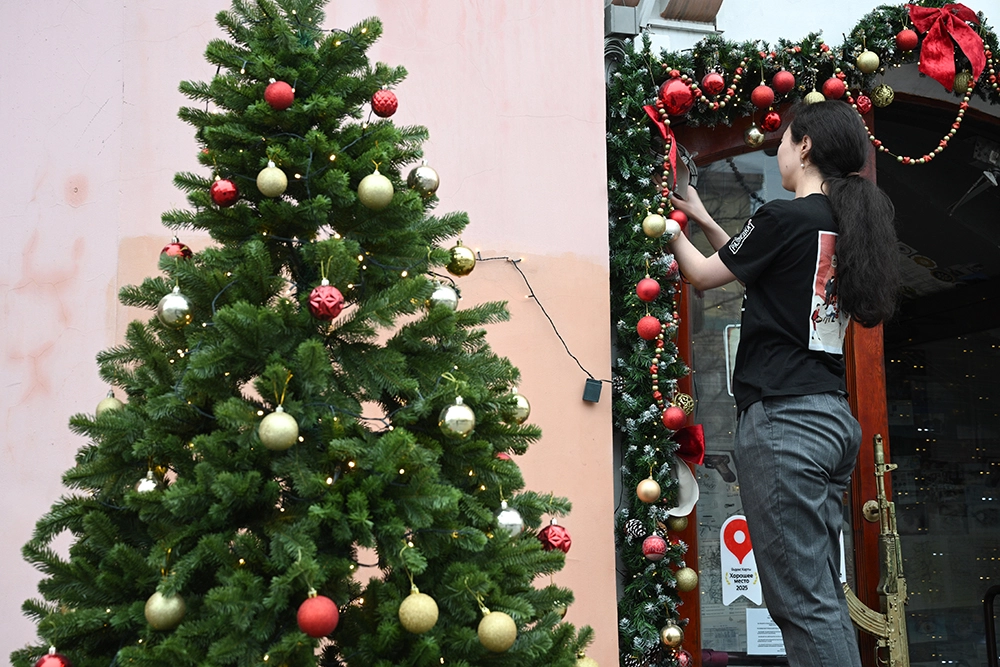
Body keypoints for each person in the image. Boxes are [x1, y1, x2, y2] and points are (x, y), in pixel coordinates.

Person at [666, 100, 898, 667]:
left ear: (806, 147)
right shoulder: (845, 226)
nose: (779, 151)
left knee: (799, 601)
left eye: (785, 140)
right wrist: (702, 216)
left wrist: (664, 224)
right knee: (818, 596)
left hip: (785, 426)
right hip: (830, 422)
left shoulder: (784, 219)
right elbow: (760, 270)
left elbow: (701, 276)